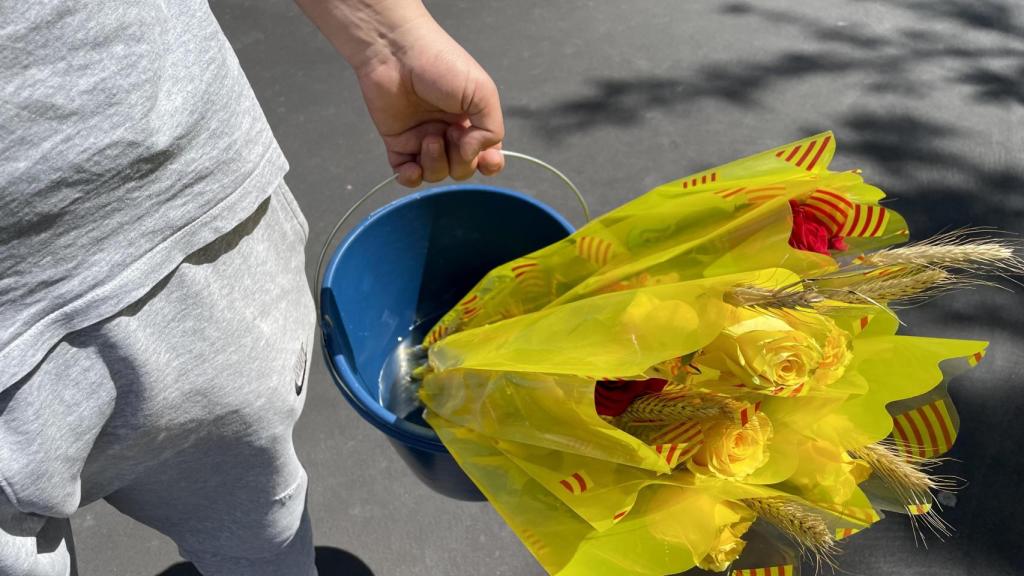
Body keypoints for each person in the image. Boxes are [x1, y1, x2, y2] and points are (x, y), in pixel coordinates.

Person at [0, 0, 504, 574]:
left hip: (191, 223)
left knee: (263, 534)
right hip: (192, 230)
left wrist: (388, 38)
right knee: (262, 536)